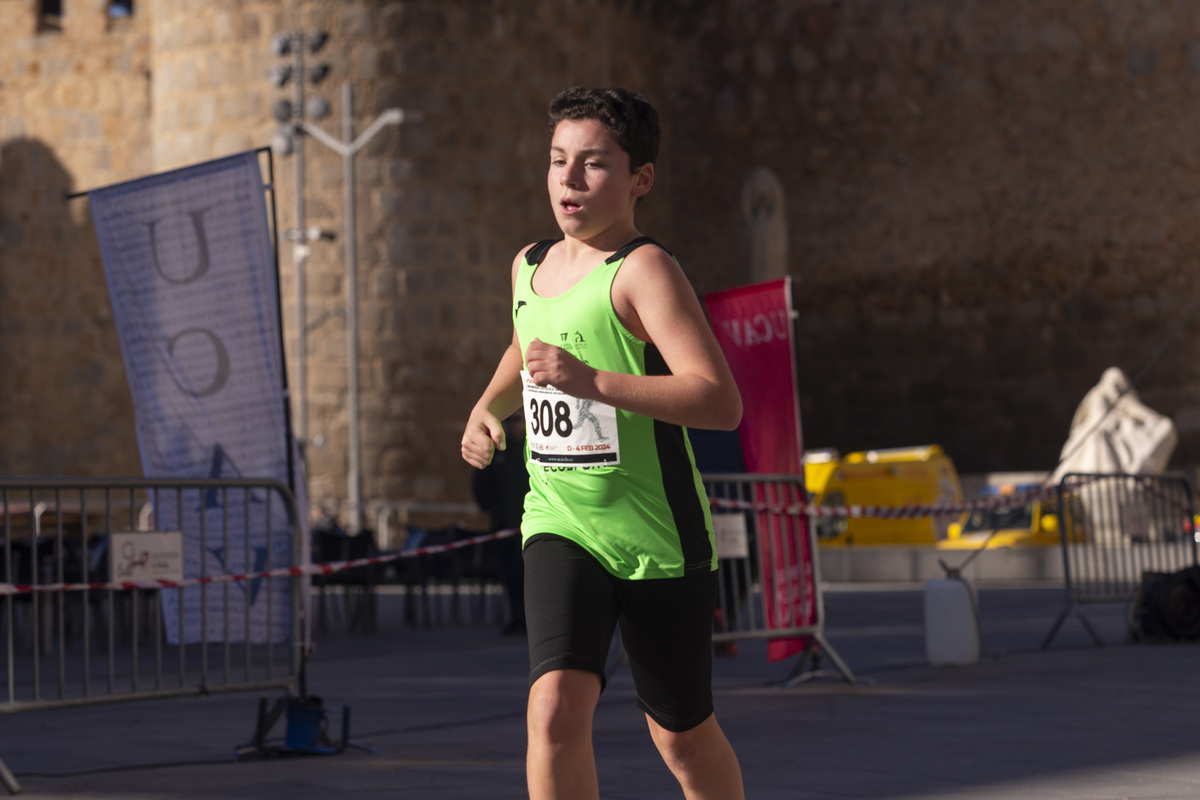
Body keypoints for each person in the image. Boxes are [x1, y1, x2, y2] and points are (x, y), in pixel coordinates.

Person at [461, 86, 745, 800]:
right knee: (552, 711)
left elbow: (718, 400)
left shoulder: (646, 270)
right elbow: (526, 346)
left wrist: (592, 380)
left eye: (592, 165)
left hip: (655, 533)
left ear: (639, 179)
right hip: (560, 517)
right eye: (558, 161)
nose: (569, 180)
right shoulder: (529, 266)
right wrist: (486, 407)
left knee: (680, 734)